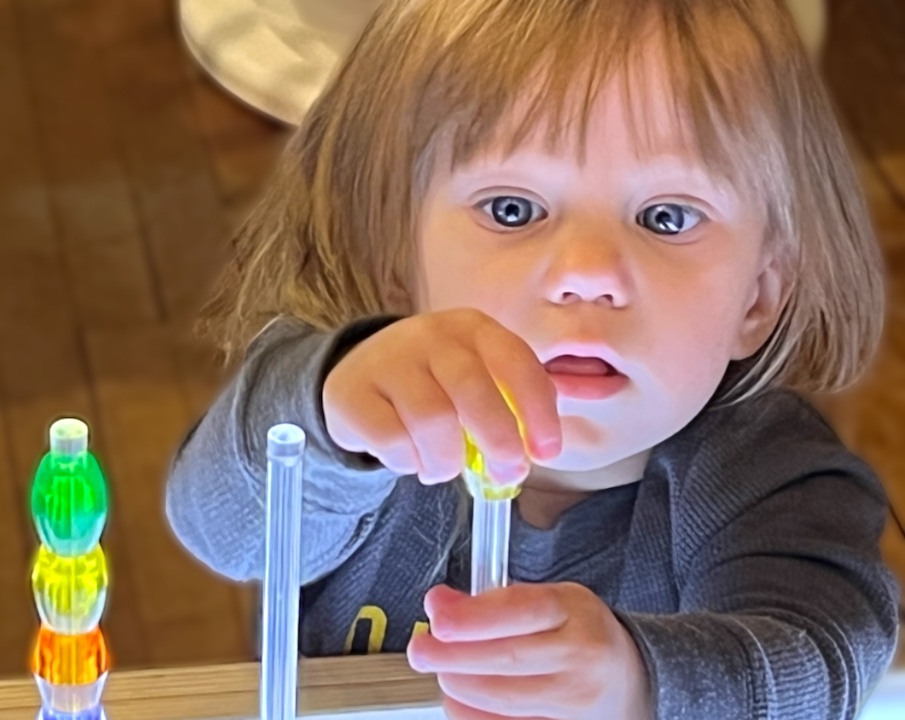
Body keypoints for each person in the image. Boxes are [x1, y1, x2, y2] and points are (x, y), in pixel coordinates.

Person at [164, 0, 902, 717]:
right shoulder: (356, 411)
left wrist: (642, 686)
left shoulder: (771, 479)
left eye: (666, 217)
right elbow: (222, 530)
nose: (588, 271)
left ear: (759, 298)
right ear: (396, 255)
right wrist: (330, 417)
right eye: (513, 209)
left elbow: (822, 660)